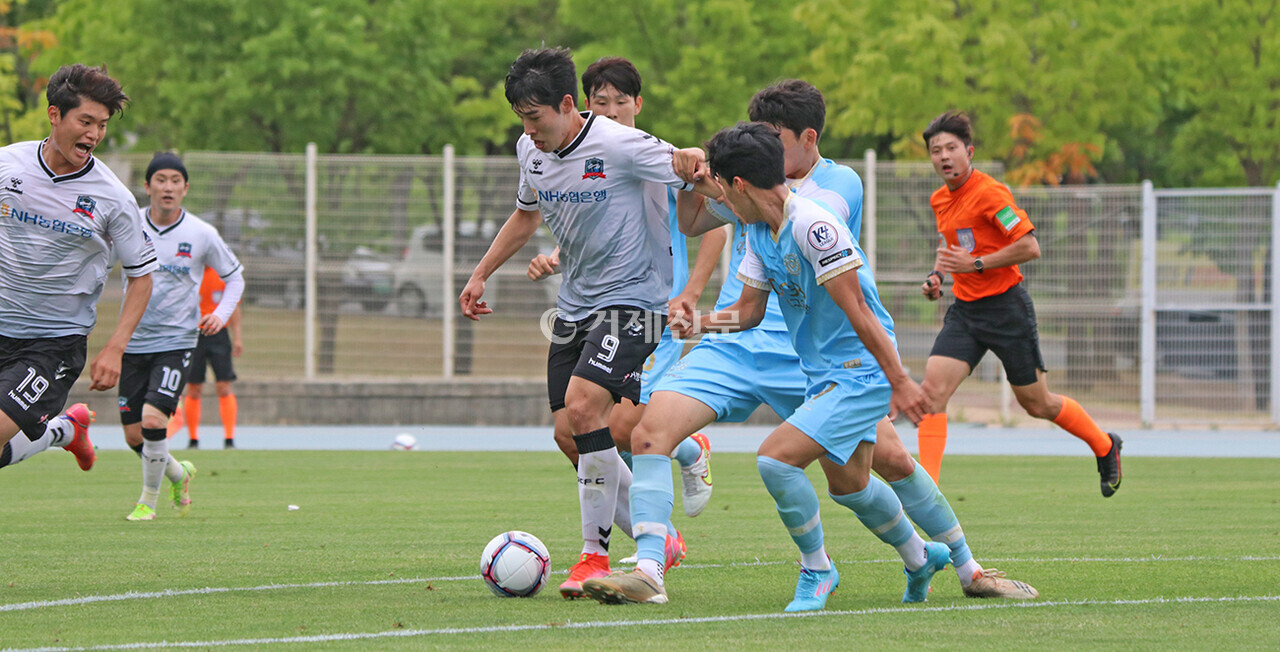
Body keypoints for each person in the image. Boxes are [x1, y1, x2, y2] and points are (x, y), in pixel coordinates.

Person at [582, 81, 1037, 607]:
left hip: (825, 361)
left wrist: (901, 382)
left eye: (775, 138)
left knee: (877, 468)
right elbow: (706, 240)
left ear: (807, 138)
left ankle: (959, 564)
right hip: (747, 347)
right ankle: (649, 569)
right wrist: (692, 183)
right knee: (647, 431)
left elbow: (837, 273)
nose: (770, 148)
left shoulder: (829, 193)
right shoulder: (756, 216)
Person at [459, 47, 716, 600]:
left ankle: (591, 556)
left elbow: (684, 166)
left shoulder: (620, 143)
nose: (529, 130)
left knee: (583, 406)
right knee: (568, 434)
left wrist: (694, 158)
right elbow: (528, 215)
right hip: (576, 305)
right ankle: (659, 539)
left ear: (568, 104)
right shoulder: (531, 150)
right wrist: (480, 273)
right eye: (522, 119)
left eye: (536, 117)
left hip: (638, 301)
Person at [526, 57, 728, 528]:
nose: (612, 110)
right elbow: (591, 223)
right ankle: (654, 523)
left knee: (613, 426)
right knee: (583, 429)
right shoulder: (585, 153)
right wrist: (555, 256)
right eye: (602, 102)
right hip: (600, 307)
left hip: (651, 309)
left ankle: (678, 463)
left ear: (638, 103)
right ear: (582, 105)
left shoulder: (650, 154)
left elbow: (714, 227)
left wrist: (692, 294)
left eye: (621, 101)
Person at [916, 111, 1122, 497]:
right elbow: (951, 248)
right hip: (965, 311)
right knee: (931, 394)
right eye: (935, 150)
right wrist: (938, 277)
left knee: (1037, 403)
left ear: (969, 151)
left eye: (951, 148)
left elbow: (1030, 246)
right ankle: (927, 494)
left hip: (1006, 309)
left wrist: (975, 264)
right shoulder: (940, 198)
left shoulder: (991, 193)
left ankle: (1105, 445)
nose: (943, 156)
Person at [0, 64, 156, 472]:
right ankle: (62, 432)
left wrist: (115, 347)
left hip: (52, 345)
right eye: (85, 121)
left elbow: (141, 277)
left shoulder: (113, 199)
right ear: (55, 115)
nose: (94, 134)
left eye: (102, 125)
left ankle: (57, 430)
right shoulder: (7, 166)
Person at [117, 153, 244, 521]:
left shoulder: (202, 233)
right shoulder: (128, 225)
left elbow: (235, 277)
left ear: (185, 188)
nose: (168, 187)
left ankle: (147, 502)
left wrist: (221, 316)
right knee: (134, 435)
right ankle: (179, 473)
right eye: (160, 179)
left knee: (155, 421)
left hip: (176, 341)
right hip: (133, 341)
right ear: (147, 186)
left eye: (175, 180)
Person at [167, 266, 243, 449]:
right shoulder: (190, 273)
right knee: (194, 388)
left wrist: (238, 337)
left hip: (219, 334)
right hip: (195, 336)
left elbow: (234, 309)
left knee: (224, 386)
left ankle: (229, 439)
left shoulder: (224, 275)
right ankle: (193, 439)